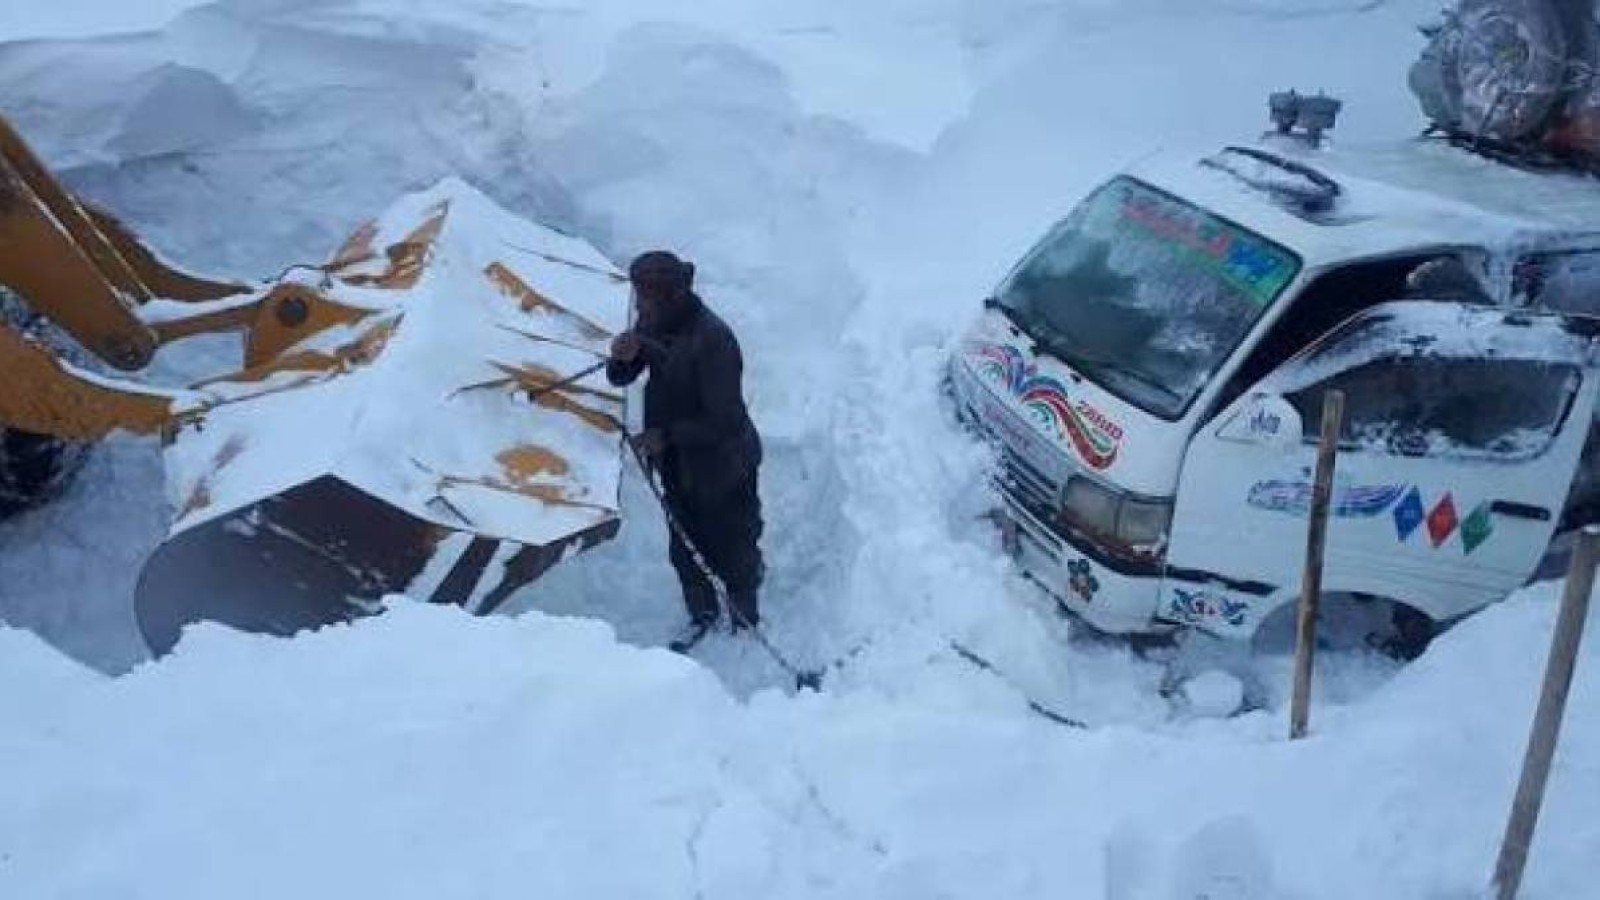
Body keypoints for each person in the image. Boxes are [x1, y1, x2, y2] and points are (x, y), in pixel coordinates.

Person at [607, 250, 764, 651]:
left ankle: (745, 616)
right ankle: (703, 614)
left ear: (672, 295)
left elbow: (726, 420)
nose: (638, 306)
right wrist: (622, 358)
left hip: (723, 467)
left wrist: (667, 436)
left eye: (645, 298)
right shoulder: (655, 320)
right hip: (678, 465)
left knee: (734, 545)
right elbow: (623, 375)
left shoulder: (715, 341)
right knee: (685, 546)